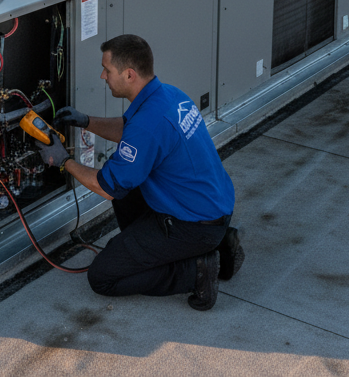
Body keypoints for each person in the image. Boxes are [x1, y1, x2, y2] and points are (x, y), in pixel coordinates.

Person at [38, 33, 243, 310]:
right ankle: (218, 246)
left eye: (107, 70)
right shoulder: (168, 95)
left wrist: (64, 162)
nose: (102, 76)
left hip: (193, 225)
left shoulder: (148, 123)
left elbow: (107, 187)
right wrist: (85, 121)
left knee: (103, 277)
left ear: (129, 74)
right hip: (212, 209)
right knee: (127, 182)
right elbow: (130, 130)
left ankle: (197, 269)